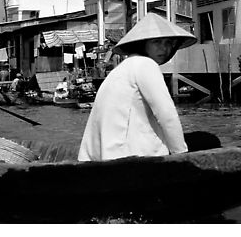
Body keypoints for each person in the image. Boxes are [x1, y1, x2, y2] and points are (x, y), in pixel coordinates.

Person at [78, 13, 197, 161]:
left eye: (168, 43)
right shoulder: (146, 64)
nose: (164, 49)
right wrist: (182, 155)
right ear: (143, 44)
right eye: (156, 42)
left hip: (106, 154)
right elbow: (167, 115)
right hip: (127, 157)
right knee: (205, 140)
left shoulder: (124, 68)